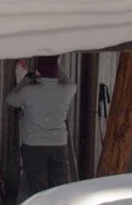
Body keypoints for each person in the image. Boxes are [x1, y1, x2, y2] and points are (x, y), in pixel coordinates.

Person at [6, 55, 78, 196]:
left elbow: (11, 99)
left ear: (38, 71)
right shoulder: (65, 91)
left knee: (38, 189)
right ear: (56, 71)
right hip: (59, 145)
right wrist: (57, 68)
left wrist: (25, 80)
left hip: (34, 145)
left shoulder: (29, 91)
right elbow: (72, 84)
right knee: (59, 187)